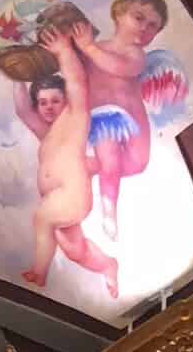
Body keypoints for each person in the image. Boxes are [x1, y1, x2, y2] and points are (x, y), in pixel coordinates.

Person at [15, 25, 118, 300]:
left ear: (66, 101)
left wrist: (63, 52)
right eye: (43, 102)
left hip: (71, 196)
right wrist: (16, 77)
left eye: (54, 101)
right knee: (74, 250)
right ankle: (108, 264)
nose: (48, 107)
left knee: (42, 218)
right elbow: (24, 110)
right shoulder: (46, 134)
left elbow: (76, 83)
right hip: (59, 197)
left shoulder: (75, 118)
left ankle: (39, 271)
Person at [70, 0, 179, 243]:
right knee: (110, 164)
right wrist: (78, 49)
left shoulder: (134, 54)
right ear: (118, 14)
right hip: (102, 118)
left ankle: (88, 168)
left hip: (130, 120)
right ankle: (109, 212)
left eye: (153, 26)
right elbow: (75, 75)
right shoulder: (93, 47)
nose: (144, 28)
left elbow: (121, 68)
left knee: (137, 164)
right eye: (139, 18)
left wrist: (88, 49)